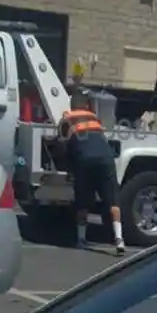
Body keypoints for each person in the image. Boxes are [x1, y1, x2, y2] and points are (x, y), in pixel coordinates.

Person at [55, 91, 123, 253]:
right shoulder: (93, 117)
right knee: (113, 201)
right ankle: (120, 240)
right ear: (86, 106)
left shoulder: (67, 119)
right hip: (106, 159)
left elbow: (63, 145)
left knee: (83, 201)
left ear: (71, 106)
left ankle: (81, 239)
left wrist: (67, 165)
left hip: (85, 160)